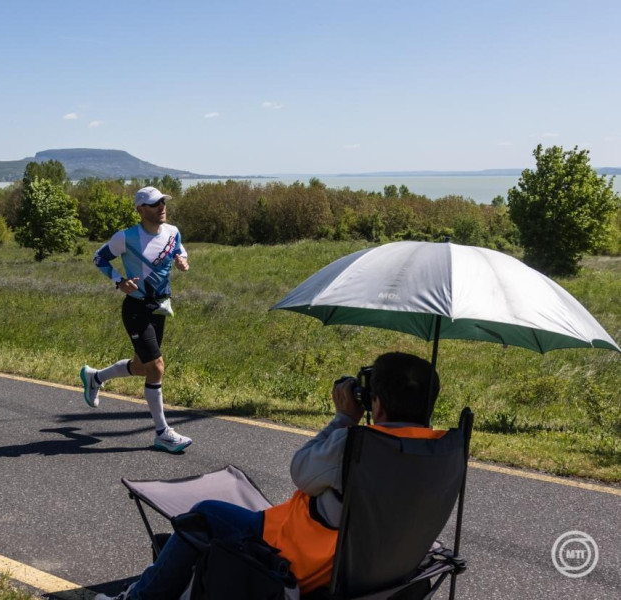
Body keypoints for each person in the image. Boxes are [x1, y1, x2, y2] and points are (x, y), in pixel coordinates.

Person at [95, 352, 445, 600]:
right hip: (378, 567)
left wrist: (343, 419)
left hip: (302, 559)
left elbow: (301, 471)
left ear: (377, 404)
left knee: (203, 514)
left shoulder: (357, 446)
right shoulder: (441, 452)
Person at [80, 186, 192, 453]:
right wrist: (119, 281)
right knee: (157, 367)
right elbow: (99, 258)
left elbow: (181, 249)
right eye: (154, 204)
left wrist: (182, 261)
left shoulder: (172, 232)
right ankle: (163, 433)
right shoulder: (126, 237)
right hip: (136, 309)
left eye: (163, 202)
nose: (161, 207)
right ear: (140, 209)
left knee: (143, 366)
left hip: (159, 308)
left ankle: (95, 378)